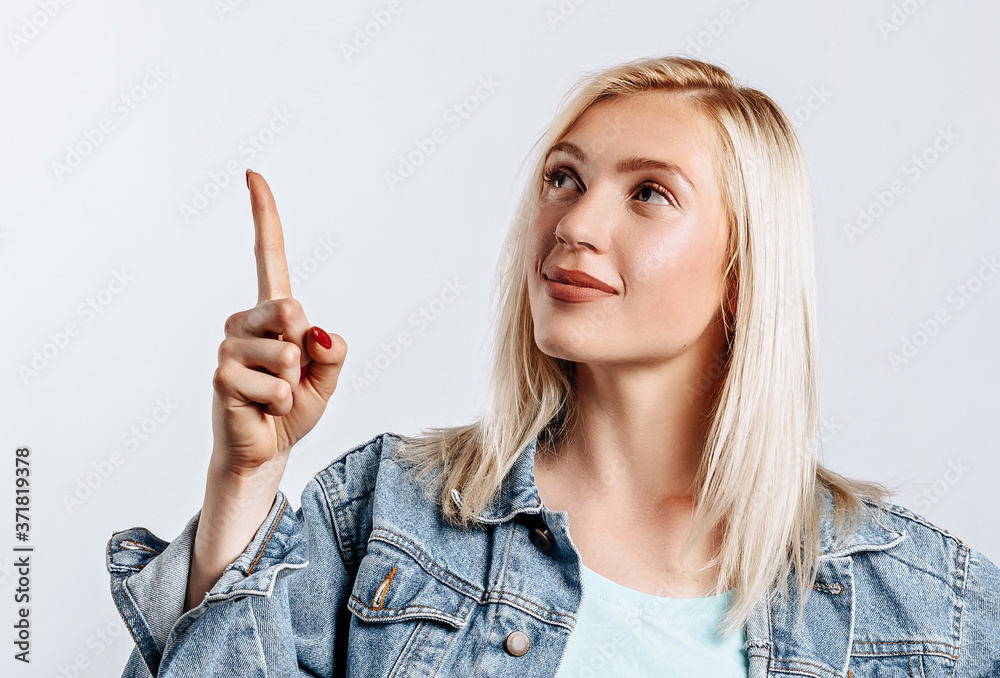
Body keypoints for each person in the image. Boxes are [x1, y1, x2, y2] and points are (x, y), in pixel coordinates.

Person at [106, 55, 1000, 677]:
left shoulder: (917, 597)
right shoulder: (389, 513)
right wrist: (245, 482)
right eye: (564, 179)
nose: (573, 224)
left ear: (741, 275)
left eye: (648, 193)